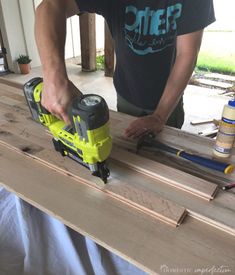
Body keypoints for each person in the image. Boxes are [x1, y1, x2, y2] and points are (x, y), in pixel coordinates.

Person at [35, 0, 215, 139]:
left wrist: (160, 116)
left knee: (165, 156)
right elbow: (49, 6)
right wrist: (54, 78)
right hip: (127, 93)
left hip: (170, 100)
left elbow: (187, 54)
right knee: (129, 149)